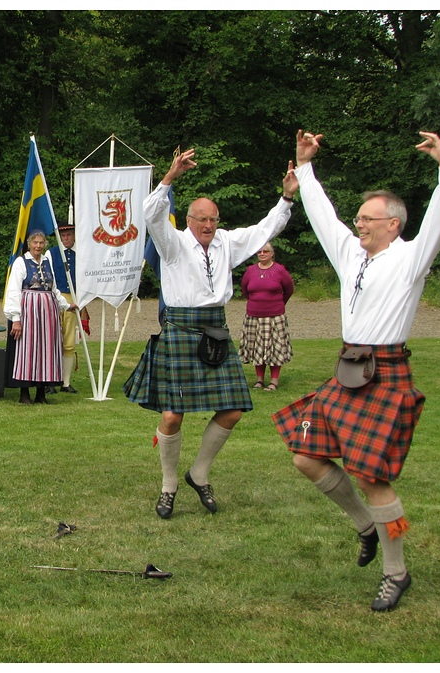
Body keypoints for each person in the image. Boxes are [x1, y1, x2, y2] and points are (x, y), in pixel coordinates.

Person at [273, 130, 440, 612]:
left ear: (393, 224)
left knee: (375, 478)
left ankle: (396, 572)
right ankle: (365, 525)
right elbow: (323, 216)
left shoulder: (411, 260)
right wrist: (305, 167)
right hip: (348, 367)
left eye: (368, 219)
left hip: (385, 371)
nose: (359, 225)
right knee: (305, 456)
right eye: (359, 218)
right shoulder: (351, 252)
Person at [125, 148, 297, 519]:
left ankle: (198, 473)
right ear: (189, 220)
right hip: (181, 330)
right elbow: (151, 214)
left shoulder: (227, 243)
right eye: (202, 219)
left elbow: (265, 229)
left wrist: (286, 197)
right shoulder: (172, 244)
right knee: (172, 416)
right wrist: (169, 177)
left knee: (233, 409)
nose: (208, 225)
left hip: (216, 331)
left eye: (213, 220)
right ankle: (169, 484)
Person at [4, 230, 78, 405]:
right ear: (29, 244)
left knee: (46, 350)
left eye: (41, 243)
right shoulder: (21, 263)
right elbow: (13, 290)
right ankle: (24, 393)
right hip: (29, 311)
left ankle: (40, 393)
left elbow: (53, 288)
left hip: (48, 312)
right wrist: (16, 318)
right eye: (35, 243)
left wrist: (66, 305)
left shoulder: (46, 261)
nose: (38, 246)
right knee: (28, 350)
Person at [239, 241, 294, 391]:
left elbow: (289, 289)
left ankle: (274, 381)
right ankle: (259, 380)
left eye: (266, 251)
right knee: (257, 348)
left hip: (274, 316)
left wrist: (277, 304)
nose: (262, 254)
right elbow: (245, 290)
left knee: (274, 349)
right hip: (254, 316)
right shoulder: (250, 270)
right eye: (259, 252)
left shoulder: (279, 270)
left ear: (272, 253)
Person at [47, 224, 91, 393]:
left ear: (74, 236)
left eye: (69, 235)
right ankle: (49, 381)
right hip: (55, 297)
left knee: (69, 340)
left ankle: (65, 382)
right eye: (63, 235)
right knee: (52, 339)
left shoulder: (81, 253)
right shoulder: (51, 254)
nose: (66, 238)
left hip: (73, 298)